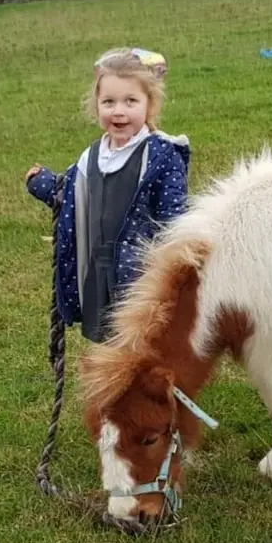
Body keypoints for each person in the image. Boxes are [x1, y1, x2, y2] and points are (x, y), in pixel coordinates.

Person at [25, 47, 191, 343]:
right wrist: (43, 183)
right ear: (96, 106)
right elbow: (71, 198)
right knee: (106, 343)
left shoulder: (162, 157)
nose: (119, 111)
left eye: (131, 101)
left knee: (144, 343)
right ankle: (110, 382)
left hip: (142, 276)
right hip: (100, 273)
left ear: (149, 106)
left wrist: (175, 270)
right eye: (109, 102)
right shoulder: (92, 157)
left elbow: (175, 219)